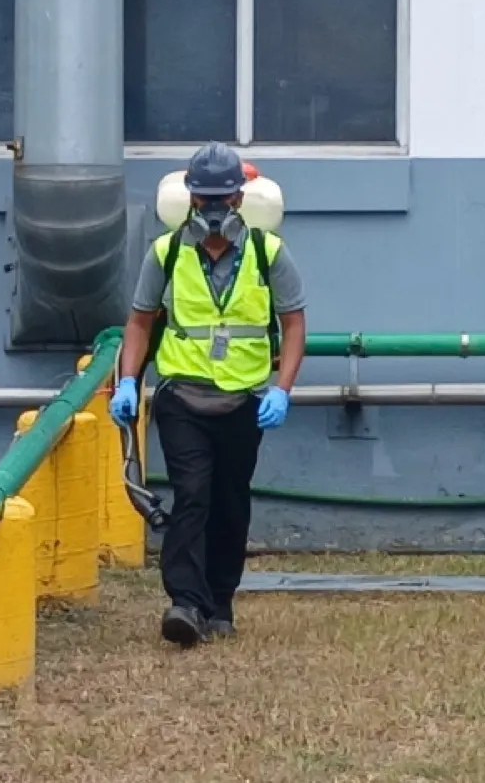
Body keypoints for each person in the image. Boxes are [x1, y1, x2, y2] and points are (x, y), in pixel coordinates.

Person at [109, 142, 307, 647]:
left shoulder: (267, 252)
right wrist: (128, 380)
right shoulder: (167, 252)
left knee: (230, 502)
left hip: (244, 400)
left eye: (223, 198)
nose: (214, 209)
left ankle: (220, 603)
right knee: (193, 494)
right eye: (205, 199)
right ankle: (185, 603)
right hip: (183, 397)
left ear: (239, 198)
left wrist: (282, 390)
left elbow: (293, 324)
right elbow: (139, 321)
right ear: (190, 198)